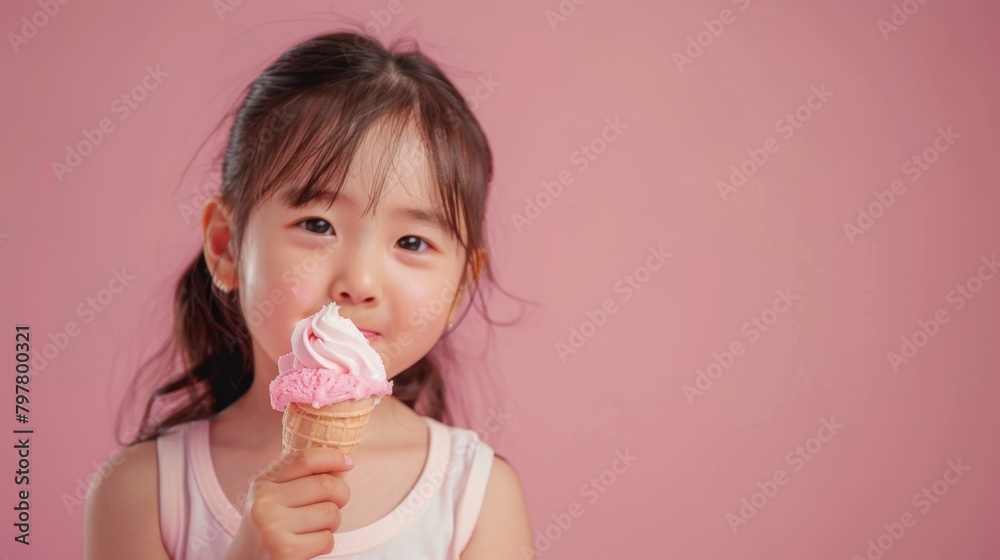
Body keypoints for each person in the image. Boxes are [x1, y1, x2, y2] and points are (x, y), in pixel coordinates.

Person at [83, 30, 534, 559]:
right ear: (227, 247)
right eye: (318, 225)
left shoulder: (476, 499)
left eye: (412, 241)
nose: (359, 282)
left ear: (460, 286)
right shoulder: (144, 493)